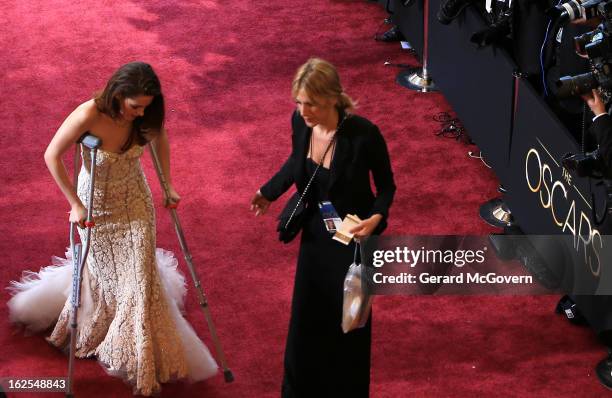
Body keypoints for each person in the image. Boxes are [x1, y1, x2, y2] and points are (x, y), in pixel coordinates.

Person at [7, 62, 217, 395]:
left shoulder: (146, 117)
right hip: (97, 207)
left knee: (139, 276)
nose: (139, 114)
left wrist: (169, 185)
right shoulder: (88, 114)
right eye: (135, 106)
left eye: (146, 108)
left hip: (135, 203)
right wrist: (75, 204)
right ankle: (102, 323)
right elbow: (52, 155)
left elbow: (159, 137)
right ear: (118, 95)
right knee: (105, 274)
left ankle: (139, 356)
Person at [250, 57, 396, 397]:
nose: (304, 111)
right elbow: (295, 161)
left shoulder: (364, 135)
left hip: (353, 242)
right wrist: (268, 192)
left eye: (311, 103)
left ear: (333, 97)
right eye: (299, 102)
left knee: (348, 323)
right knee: (305, 320)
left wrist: (376, 219)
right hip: (316, 236)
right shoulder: (301, 123)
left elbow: (387, 186)